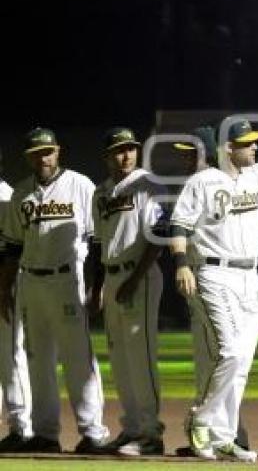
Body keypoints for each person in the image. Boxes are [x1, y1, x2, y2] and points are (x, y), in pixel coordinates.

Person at [170, 118, 258, 461]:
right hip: (213, 273)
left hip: (249, 277)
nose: (255, 146)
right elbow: (179, 225)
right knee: (231, 352)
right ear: (227, 148)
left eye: (255, 142)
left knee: (242, 364)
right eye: (247, 142)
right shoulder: (202, 181)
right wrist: (181, 264)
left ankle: (224, 436)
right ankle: (200, 419)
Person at [0, 127, 109, 453]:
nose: (43, 157)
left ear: (58, 151)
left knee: (79, 359)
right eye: (36, 153)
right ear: (29, 158)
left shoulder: (80, 185)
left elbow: (98, 238)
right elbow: (11, 248)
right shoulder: (21, 194)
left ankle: (93, 432)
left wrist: (97, 284)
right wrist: (4, 289)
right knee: (38, 362)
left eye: (47, 151)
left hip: (67, 280)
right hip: (30, 282)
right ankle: (46, 434)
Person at [171, 125, 252, 457]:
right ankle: (218, 431)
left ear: (209, 151)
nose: (187, 158)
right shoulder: (199, 185)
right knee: (221, 357)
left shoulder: (216, 182)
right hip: (207, 280)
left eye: (192, 152)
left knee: (227, 357)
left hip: (221, 279)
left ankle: (219, 432)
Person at [91, 127, 168, 456]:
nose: (126, 155)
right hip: (112, 278)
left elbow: (158, 237)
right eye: (119, 150)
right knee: (120, 360)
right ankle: (132, 427)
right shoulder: (101, 192)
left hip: (139, 275)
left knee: (141, 357)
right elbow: (98, 243)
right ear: (107, 156)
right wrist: (98, 287)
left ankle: (151, 434)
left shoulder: (147, 184)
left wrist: (135, 280)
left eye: (131, 149)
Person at [0, 147, 32, 452]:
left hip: (5, 284)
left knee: (10, 356)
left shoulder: (8, 196)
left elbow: (15, 248)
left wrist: (6, 288)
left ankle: (22, 426)